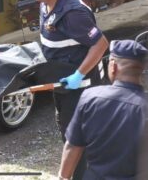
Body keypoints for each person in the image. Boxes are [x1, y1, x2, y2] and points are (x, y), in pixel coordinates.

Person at [33, 0, 109, 179]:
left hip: (81, 88)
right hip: (63, 84)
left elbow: (101, 43)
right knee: (67, 130)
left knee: (76, 139)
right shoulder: (46, 3)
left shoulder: (72, 14)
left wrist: (79, 75)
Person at [59, 39, 148, 180]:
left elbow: (73, 145)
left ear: (113, 66)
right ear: (142, 71)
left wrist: (63, 177)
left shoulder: (90, 98)